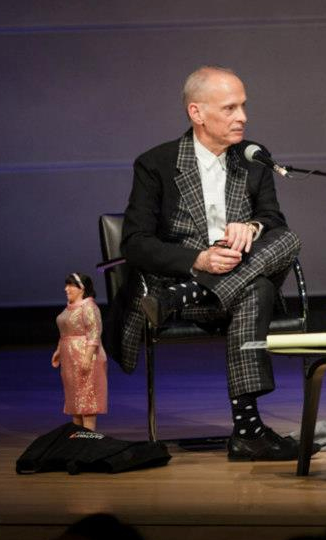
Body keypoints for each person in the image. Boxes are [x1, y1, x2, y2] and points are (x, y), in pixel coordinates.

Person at [119, 66, 302, 461]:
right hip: (194, 287)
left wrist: (251, 227)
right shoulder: (157, 164)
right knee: (258, 287)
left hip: (185, 296)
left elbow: (275, 223)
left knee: (287, 242)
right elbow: (134, 244)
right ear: (196, 113)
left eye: (243, 106)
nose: (243, 117)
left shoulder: (254, 160)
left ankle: (180, 296)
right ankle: (249, 431)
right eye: (230, 108)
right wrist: (198, 259)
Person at [52, 273, 107, 431]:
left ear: (81, 288)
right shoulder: (70, 307)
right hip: (70, 359)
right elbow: (65, 331)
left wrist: (88, 357)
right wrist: (58, 351)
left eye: (70, 285)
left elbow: (94, 333)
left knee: (87, 402)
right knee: (75, 403)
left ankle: (88, 442)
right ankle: (77, 443)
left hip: (84, 356)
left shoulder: (89, 307)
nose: (66, 289)